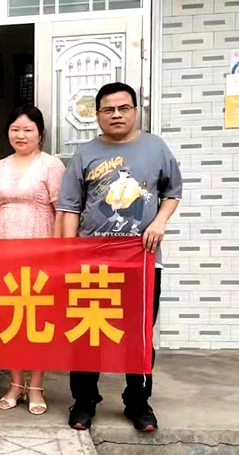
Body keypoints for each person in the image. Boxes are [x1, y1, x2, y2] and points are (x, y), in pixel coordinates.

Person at [56, 82, 182, 432]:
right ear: (97, 115)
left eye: (123, 108)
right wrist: (69, 256)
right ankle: (84, 400)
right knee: (86, 332)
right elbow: (69, 208)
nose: (116, 115)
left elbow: (172, 193)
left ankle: (138, 403)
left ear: (135, 110)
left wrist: (159, 222)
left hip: (142, 260)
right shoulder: (84, 154)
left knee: (138, 335)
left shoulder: (156, 148)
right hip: (92, 261)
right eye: (108, 109)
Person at [0, 105, 65, 416]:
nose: (21, 135)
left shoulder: (52, 165)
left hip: (40, 248)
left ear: (40, 133)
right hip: (3, 248)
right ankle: (15, 383)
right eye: (15, 129)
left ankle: (37, 385)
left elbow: (61, 211)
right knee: (10, 318)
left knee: (38, 318)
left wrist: (58, 251)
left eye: (28, 129)